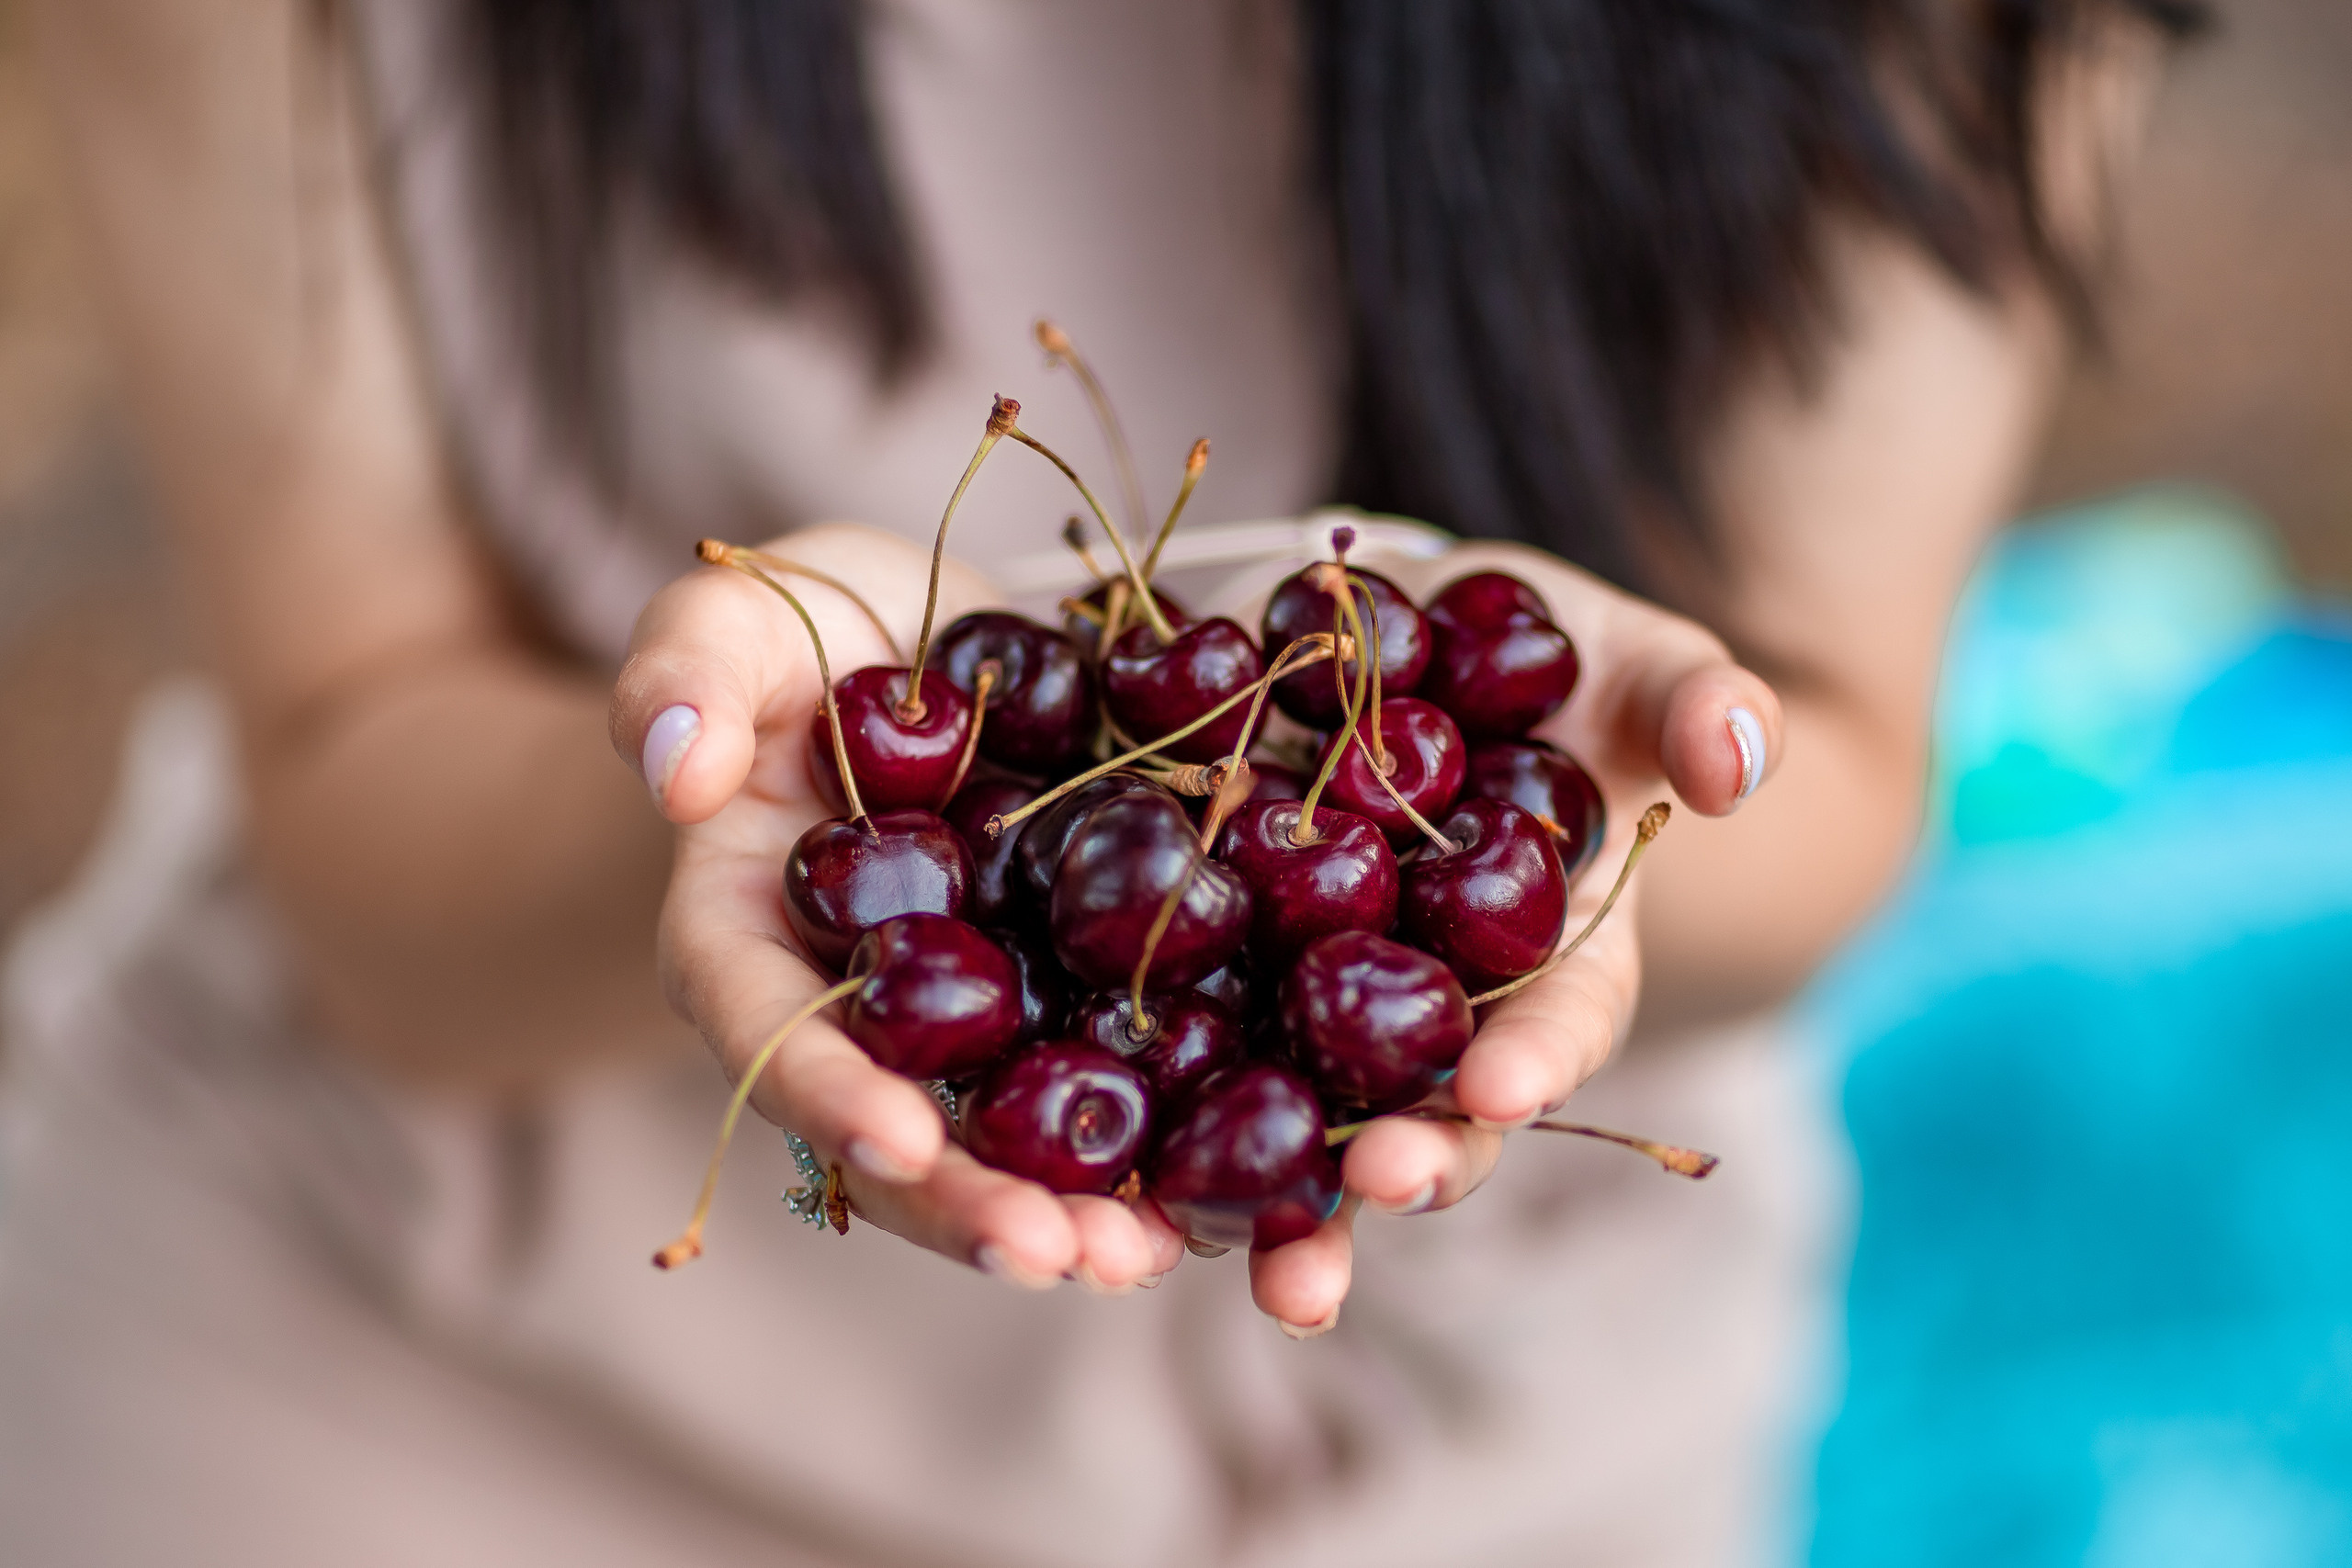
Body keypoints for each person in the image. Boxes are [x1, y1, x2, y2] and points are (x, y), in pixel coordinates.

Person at [0, 1, 2194, 1563]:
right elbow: (360, 814)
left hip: (1483, 1449)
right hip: (400, 1366)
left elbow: (1821, 782)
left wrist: (1580, 766)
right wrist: (714, 798)